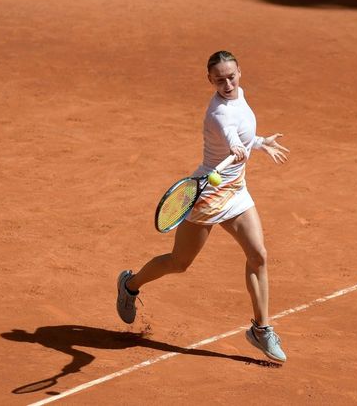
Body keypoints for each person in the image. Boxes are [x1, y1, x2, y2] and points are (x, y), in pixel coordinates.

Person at [116, 50, 290, 363]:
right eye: (219, 79)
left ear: (239, 72)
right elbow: (229, 133)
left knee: (258, 255)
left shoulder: (241, 95)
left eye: (231, 76)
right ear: (209, 79)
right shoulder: (217, 113)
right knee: (179, 262)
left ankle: (261, 329)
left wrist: (260, 143)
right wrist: (235, 145)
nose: (227, 83)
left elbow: (244, 136)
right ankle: (130, 285)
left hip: (236, 189)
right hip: (208, 195)